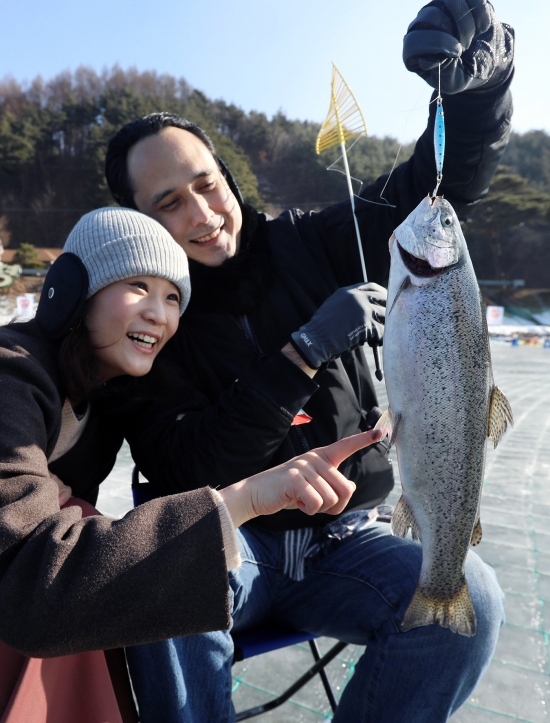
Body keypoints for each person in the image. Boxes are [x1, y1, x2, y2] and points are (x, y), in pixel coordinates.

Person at [104, 1, 514, 720]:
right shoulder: (144, 320)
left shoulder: (317, 240)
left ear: (228, 177)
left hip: (349, 537)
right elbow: (186, 465)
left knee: (471, 599)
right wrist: (302, 351)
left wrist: (478, 88)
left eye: (206, 183)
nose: (202, 213)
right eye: (169, 203)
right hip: (234, 542)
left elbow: (439, 185)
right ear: (141, 220)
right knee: (162, 582)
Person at [0, 206, 383, 722]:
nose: (160, 314)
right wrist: (244, 499)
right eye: (138, 285)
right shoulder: (13, 375)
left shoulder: (103, 399)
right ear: (72, 286)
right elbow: (32, 584)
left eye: (174, 297)